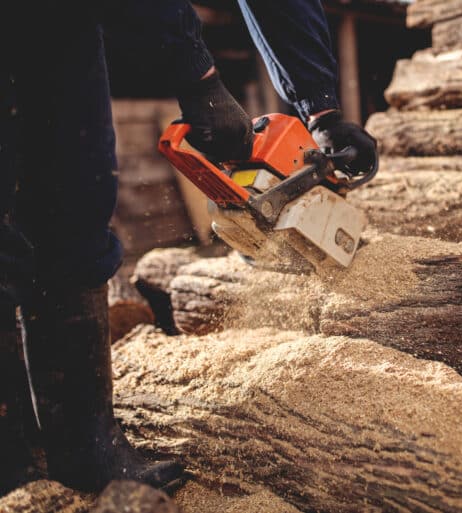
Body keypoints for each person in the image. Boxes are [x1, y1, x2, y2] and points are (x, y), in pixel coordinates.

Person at [0, 0, 377, 495]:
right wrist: (198, 76)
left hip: (64, 22)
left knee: (75, 207)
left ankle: (85, 449)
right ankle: (11, 461)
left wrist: (321, 107)